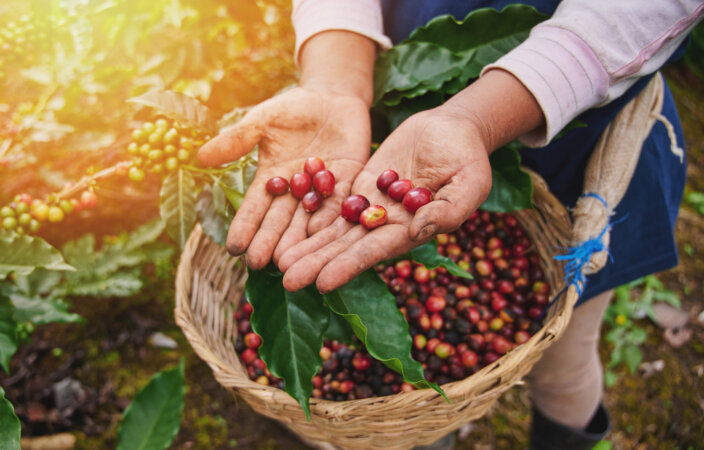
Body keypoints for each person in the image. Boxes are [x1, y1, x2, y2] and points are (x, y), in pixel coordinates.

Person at [197, 1, 703, 448]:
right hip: (405, 103)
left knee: (564, 367)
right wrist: (336, 80)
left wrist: (479, 119)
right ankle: (428, 430)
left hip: (584, 119)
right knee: (423, 394)